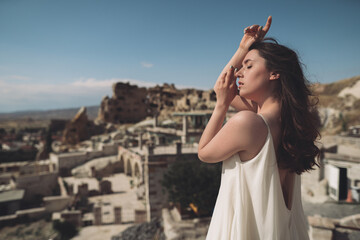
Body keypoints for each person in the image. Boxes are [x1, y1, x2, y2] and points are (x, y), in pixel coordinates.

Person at [198, 16, 320, 239]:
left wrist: (220, 106)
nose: (238, 73)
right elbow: (224, 85)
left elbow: (204, 153)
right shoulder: (290, 123)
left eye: (249, 66)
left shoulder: (249, 122)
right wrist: (244, 48)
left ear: (274, 73)